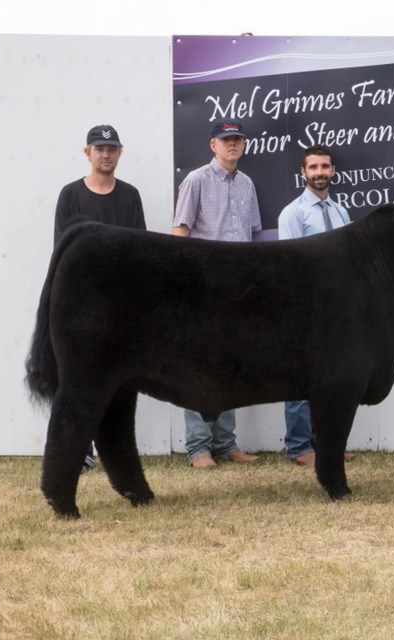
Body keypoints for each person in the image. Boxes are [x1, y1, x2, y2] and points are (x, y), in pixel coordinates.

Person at [54, 124, 147, 472]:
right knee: (78, 379)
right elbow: (61, 250)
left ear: (119, 153)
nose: (105, 154)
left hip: (122, 304)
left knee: (121, 379)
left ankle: (115, 451)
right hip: (82, 303)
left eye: (111, 148)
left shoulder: (130, 195)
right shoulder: (70, 195)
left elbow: (141, 249)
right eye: (99, 148)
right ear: (87, 152)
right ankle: (78, 450)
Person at [172, 118, 261, 469]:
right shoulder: (195, 180)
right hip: (203, 285)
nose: (232, 145)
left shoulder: (248, 184)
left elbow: (251, 237)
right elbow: (180, 232)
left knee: (231, 365)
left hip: (239, 288)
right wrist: (178, 283)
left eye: (237, 139)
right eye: (226, 140)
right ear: (213, 145)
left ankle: (226, 444)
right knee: (198, 365)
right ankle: (198, 448)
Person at [276, 144, 354, 467]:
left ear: (333, 171)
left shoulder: (340, 212)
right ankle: (299, 448)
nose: (320, 172)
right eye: (313, 167)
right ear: (303, 173)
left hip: (337, 310)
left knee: (332, 380)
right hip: (305, 309)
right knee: (300, 380)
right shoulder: (292, 213)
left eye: (325, 167)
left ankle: (328, 445)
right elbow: (290, 266)